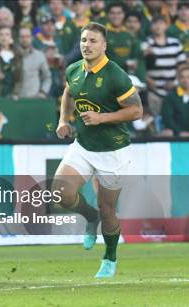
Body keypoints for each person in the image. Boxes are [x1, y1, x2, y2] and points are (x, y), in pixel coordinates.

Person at [53, 22, 143, 278]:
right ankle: (90, 217)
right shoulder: (74, 70)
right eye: (83, 40)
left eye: (93, 41)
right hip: (83, 146)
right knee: (60, 193)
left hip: (113, 152)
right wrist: (63, 120)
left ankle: (110, 257)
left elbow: (137, 111)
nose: (87, 45)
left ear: (104, 45)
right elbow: (69, 92)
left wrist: (102, 118)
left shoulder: (116, 75)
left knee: (108, 210)